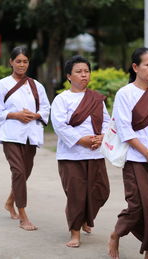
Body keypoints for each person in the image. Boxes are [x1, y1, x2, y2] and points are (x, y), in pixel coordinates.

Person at [108, 47, 148, 259]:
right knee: (136, 207)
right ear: (136, 67)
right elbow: (124, 129)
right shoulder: (125, 94)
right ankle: (116, 234)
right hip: (136, 159)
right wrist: (147, 154)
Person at [51, 55, 110, 248]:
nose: (84, 75)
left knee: (101, 191)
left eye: (86, 71)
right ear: (69, 76)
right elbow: (59, 126)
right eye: (79, 72)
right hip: (71, 155)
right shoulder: (62, 99)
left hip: (95, 153)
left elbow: (108, 123)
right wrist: (80, 140)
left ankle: (86, 217)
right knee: (76, 194)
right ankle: (75, 233)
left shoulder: (97, 99)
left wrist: (102, 137)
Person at [0, 46, 50, 231]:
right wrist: (15, 115)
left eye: (25, 61)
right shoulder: (2, 84)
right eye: (18, 61)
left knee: (25, 173)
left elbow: (46, 108)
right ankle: (23, 215)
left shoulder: (36, 85)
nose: (22, 65)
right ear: (11, 62)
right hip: (11, 134)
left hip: (30, 136)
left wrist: (35, 115)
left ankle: (10, 201)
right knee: (18, 171)